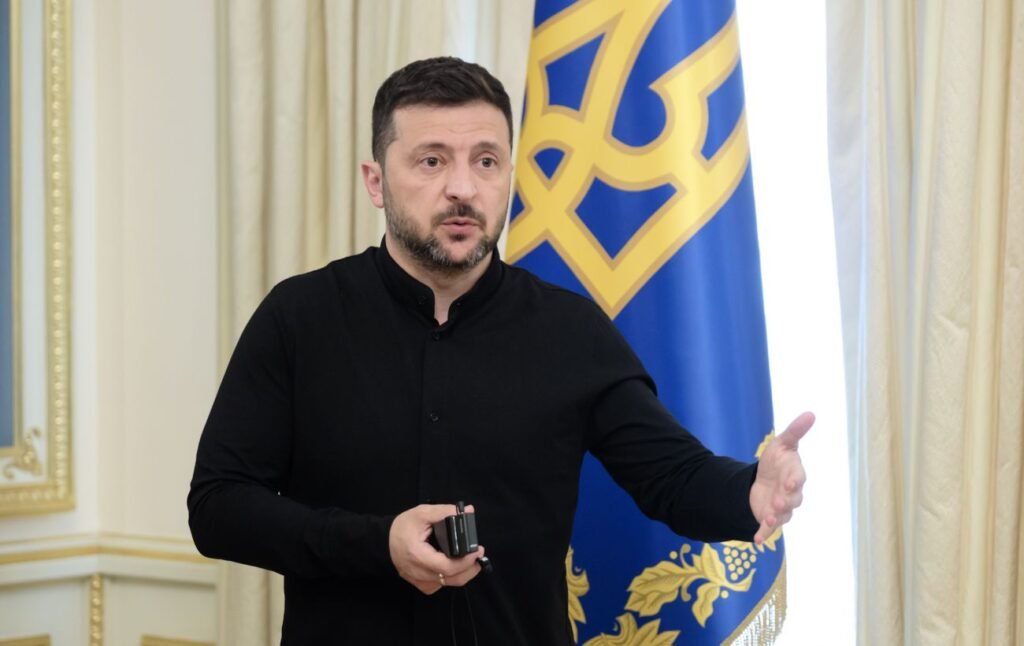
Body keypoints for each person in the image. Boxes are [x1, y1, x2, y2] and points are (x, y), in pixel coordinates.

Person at [188, 56, 811, 645]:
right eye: (432, 161)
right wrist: (377, 544)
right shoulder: (298, 318)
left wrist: (748, 490)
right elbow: (218, 506)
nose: (462, 188)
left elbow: (671, 477)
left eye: (485, 161)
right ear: (375, 182)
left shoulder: (571, 332)